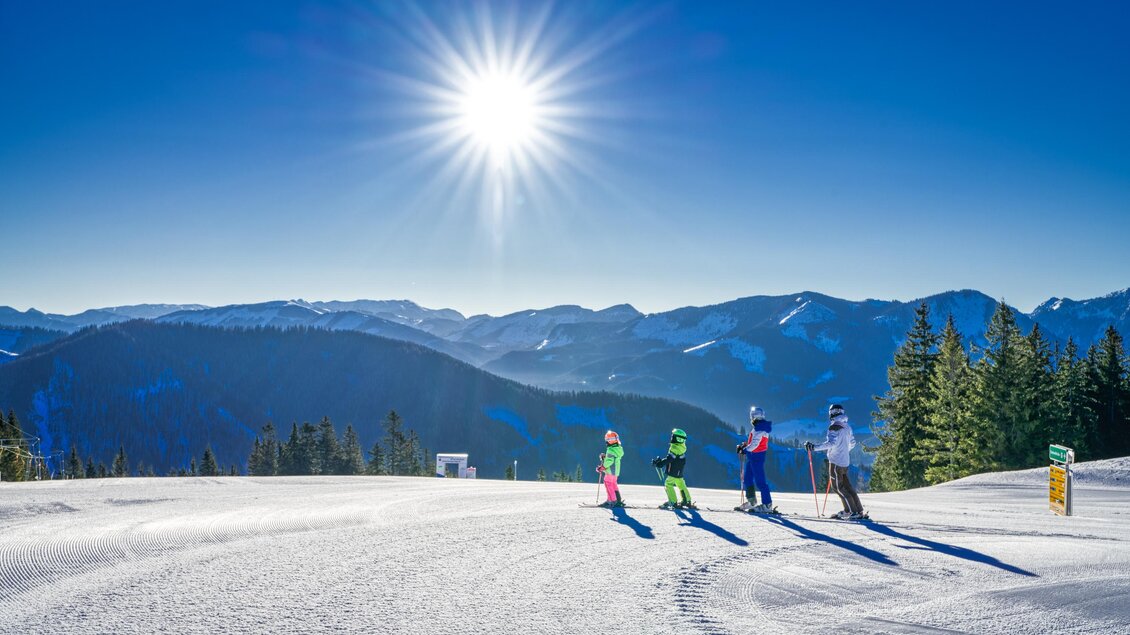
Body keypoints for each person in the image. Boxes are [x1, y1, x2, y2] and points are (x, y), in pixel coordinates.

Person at [805, 404, 865, 519]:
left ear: (832, 413)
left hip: (836, 462)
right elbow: (852, 443)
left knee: (838, 487)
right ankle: (858, 510)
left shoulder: (834, 427)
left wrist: (814, 448)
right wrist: (843, 450)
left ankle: (851, 512)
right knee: (847, 487)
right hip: (845, 461)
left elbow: (831, 443)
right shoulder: (847, 426)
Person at [735, 406, 775, 513]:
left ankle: (767, 504)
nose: (751, 418)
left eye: (751, 416)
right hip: (752, 456)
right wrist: (745, 446)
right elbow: (753, 442)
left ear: (754, 417)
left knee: (760, 481)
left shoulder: (760, 428)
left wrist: (745, 450)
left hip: (757, 457)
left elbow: (755, 445)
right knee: (748, 478)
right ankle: (752, 501)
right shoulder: (758, 427)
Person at [652, 428, 695, 509]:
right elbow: (671, 458)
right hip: (679, 470)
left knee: (668, 484)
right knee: (681, 484)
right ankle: (687, 500)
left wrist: (660, 464)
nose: (672, 437)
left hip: (674, 470)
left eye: (673, 436)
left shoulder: (675, 448)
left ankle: (673, 501)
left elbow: (670, 459)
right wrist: (661, 462)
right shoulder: (681, 447)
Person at [597, 430, 625, 508]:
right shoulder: (618, 449)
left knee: (608, 484)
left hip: (610, 471)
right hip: (615, 472)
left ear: (610, 441)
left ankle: (612, 501)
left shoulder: (610, 450)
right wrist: (605, 457)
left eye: (607, 440)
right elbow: (612, 458)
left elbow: (609, 461)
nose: (606, 441)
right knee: (613, 485)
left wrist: (602, 467)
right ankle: (618, 500)